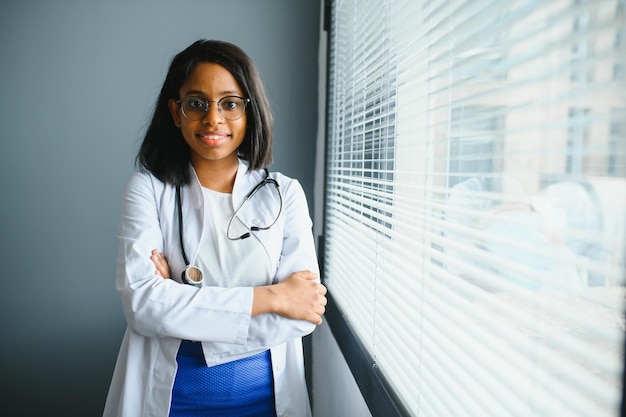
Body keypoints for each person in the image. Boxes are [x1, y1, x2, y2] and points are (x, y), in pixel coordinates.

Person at [103, 39, 327, 417]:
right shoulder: (147, 189)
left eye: (230, 103)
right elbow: (142, 307)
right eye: (196, 103)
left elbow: (302, 313)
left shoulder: (284, 194)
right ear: (176, 112)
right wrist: (271, 297)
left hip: (266, 402)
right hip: (173, 401)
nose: (213, 119)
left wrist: (177, 300)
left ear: (249, 111)